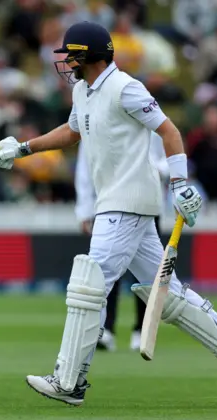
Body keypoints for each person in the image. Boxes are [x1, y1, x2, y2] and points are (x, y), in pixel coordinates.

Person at [0, 21, 217, 405]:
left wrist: (180, 184)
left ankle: (70, 380)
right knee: (166, 296)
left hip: (128, 203)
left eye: (72, 55)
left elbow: (169, 131)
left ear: (91, 56)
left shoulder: (126, 88)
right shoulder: (84, 91)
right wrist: (23, 148)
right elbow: (71, 133)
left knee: (88, 286)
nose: (67, 62)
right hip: (115, 203)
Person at [75, 133, 169, 352]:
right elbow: (85, 165)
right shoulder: (95, 112)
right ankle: (105, 328)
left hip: (145, 202)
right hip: (108, 202)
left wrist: (156, 168)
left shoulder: (144, 111)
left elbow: (165, 155)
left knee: (146, 272)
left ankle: (142, 330)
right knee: (107, 267)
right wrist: (84, 208)